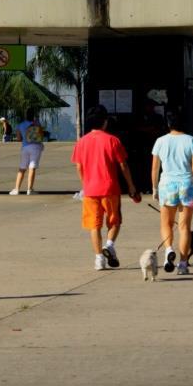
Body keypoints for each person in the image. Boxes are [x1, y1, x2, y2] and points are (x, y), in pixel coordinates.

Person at [72, 105, 139, 270]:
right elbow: (123, 165)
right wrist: (131, 186)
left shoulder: (82, 142)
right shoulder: (112, 140)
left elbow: (79, 166)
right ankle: (109, 245)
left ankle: (98, 259)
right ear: (105, 121)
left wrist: (85, 184)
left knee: (94, 225)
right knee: (114, 222)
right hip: (110, 188)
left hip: (90, 190)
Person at [151, 110, 193, 275]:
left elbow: (155, 167)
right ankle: (183, 264)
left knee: (166, 224)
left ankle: (169, 250)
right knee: (184, 227)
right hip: (187, 185)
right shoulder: (192, 141)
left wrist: (154, 188)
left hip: (167, 186)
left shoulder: (160, 141)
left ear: (168, 124)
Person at [10, 108, 47, 195]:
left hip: (25, 147)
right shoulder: (37, 124)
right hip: (36, 147)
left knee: (22, 168)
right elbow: (41, 135)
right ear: (33, 115)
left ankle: (16, 189)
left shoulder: (20, 125)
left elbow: (19, 139)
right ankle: (30, 189)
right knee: (32, 167)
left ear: (25, 115)